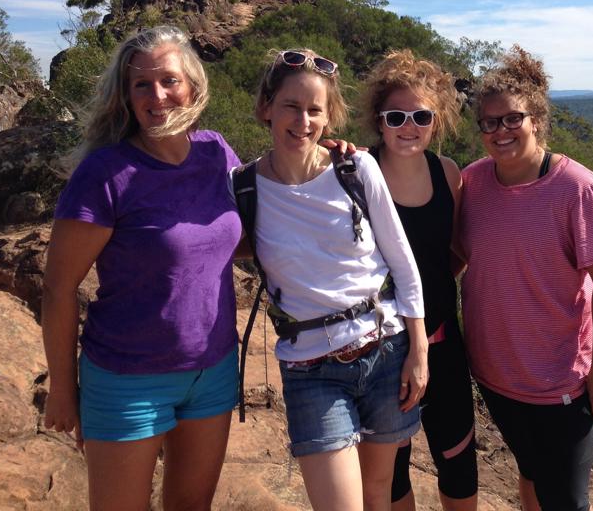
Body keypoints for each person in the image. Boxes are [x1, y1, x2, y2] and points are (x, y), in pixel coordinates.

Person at [42, 26, 243, 511]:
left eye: (169, 81)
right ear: (126, 97)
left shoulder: (217, 154)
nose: (158, 96)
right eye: (141, 85)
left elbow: (247, 236)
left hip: (212, 371)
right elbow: (58, 288)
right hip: (127, 377)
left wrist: (332, 159)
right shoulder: (107, 175)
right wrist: (63, 389)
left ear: (193, 86)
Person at [243, 48, 429, 511]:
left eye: (314, 110)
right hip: (311, 369)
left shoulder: (356, 170)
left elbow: (403, 265)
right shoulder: (242, 187)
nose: (302, 121)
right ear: (267, 107)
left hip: (386, 352)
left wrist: (419, 353)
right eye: (291, 106)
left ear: (329, 118)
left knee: (377, 492)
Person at [457, 46, 593, 511]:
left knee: (567, 501)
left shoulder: (579, 189)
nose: (500, 131)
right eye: (489, 123)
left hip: (561, 383)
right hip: (494, 374)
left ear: (536, 119)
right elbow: (459, 257)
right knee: (530, 472)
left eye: (512, 119)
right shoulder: (473, 184)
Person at [362, 51, 478, 511]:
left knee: (458, 461)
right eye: (396, 116)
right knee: (391, 472)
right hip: (381, 351)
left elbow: (452, 251)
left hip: (443, 342)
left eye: (421, 116)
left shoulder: (446, 172)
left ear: (437, 120)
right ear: (379, 120)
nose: (408, 126)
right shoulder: (356, 172)